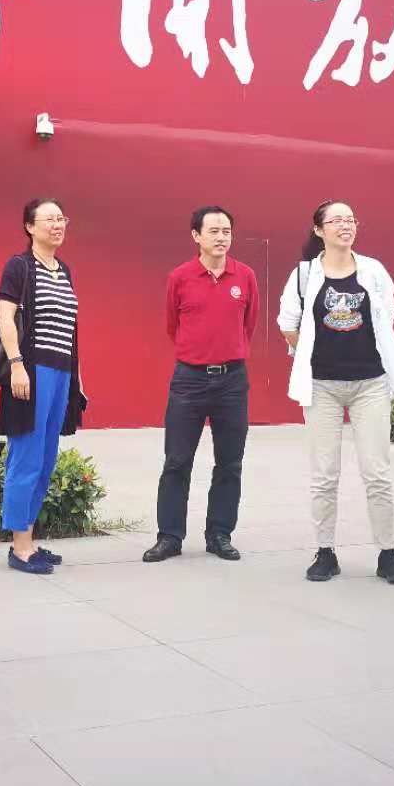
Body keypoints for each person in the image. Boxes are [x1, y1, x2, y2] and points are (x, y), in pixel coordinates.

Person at [279, 201, 394, 584]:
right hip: (321, 386)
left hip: (370, 383)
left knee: (377, 473)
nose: (345, 225)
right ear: (318, 230)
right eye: (336, 220)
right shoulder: (303, 275)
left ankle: (387, 554)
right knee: (324, 475)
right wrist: (312, 349)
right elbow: (288, 323)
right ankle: (325, 552)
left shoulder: (374, 270)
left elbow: (387, 315)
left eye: (350, 219)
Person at [143, 205, 258, 563]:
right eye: (214, 231)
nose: (221, 238)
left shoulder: (245, 276)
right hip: (189, 380)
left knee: (230, 462)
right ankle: (169, 536)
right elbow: (172, 326)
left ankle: (219, 534)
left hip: (232, 381)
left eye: (227, 231)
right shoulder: (180, 277)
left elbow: (249, 325)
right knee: (177, 460)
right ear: (196, 236)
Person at [0, 198, 87, 574]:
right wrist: (16, 365)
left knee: (46, 459)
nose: (57, 225)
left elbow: (69, 331)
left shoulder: (64, 270)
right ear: (29, 227)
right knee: (26, 458)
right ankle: (20, 549)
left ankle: (29, 540)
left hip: (61, 374)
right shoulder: (19, 266)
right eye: (49, 219)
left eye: (61, 219)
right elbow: (5, 318)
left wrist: (76, 381)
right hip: (31, 373)